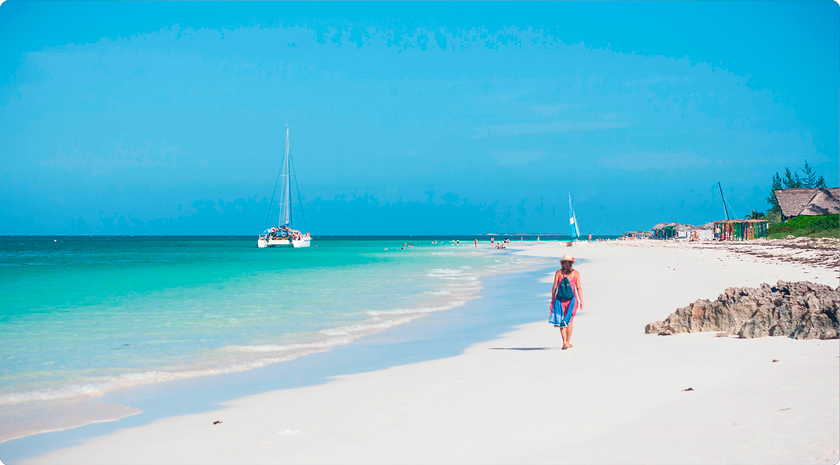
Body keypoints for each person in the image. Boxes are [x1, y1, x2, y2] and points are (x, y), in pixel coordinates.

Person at [549, 254, 584, 350]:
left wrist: (552, 299)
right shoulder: (576, 274)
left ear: (563, 263)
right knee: (570, 322)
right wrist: (581, 301)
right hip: (571, 301)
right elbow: (578, 288)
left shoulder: (558, 273)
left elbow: (554, 287)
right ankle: (567, 342)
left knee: (561, 321)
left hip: (560, 300)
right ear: (571, 264)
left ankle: (564, 341)